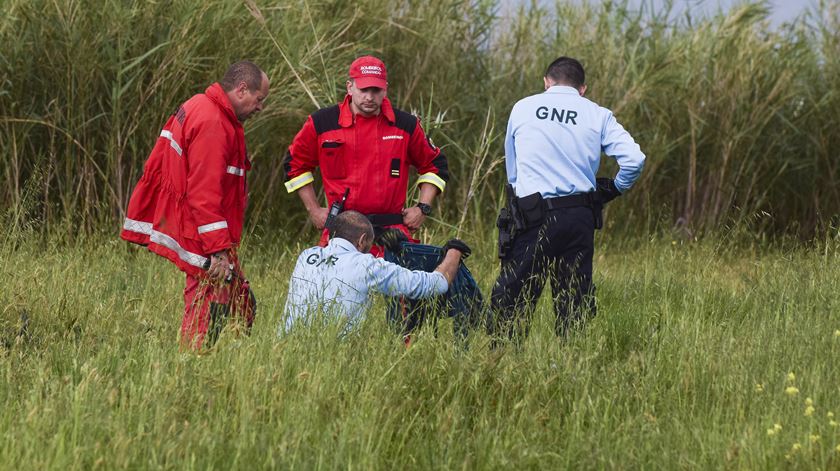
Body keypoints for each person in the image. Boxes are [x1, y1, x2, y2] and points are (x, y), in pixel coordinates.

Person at [488, 56, 645, 342]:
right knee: (574, 305)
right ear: (582, 88)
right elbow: (635, 159)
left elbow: (513, 170)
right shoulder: (597, 114)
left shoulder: (522, 107)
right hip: (579, 217)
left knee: (510, 304)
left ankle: (503, 366)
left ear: (546, 82)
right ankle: (571, 365)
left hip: (531, 215)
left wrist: (519, 198)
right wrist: (615, 188)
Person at [120, 60, 270, 349]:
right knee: (211, 295)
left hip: (197, 224)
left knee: (237, 298)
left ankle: (224, 353)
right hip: (203, 231)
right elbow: (204, 193)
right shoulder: (214, 123)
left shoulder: (201, 105)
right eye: (259, 99)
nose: (260, 107)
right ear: (241, 90)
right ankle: (198, 357)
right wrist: (218, 251)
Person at [282, 55, 449, 256]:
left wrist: (422, 208)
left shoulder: (405, 125)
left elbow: (435, 165)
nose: (369, 97)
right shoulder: (322, 123)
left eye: (376, 90)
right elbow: (294, 164)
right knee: (337, 288)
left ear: (385, 89)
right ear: (350, 87)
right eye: (363, 90)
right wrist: (314, 210)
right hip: (341, 233)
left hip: (391, 235)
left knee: (395, 287)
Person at [280, 211, 470, 336]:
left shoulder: (306, 256)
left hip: (287, 349)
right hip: (335, 354)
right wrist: (454, 252)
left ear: (331, 236)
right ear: (362, 240)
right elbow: (432, 285)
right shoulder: (366, 265)